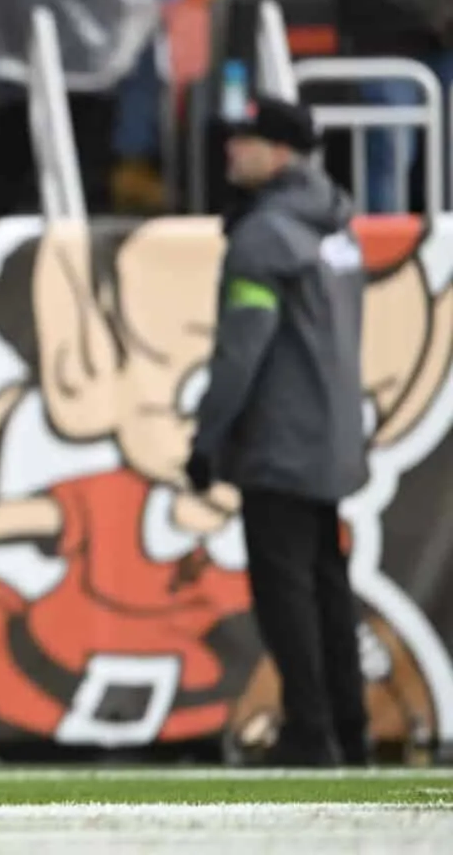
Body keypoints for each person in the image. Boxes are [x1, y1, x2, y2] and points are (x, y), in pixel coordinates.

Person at [185, 95, 370, 767]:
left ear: (281, 151)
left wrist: (207, 439)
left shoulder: (266, 237)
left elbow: (244, 347)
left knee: (287, 594)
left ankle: (311, 733)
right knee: (327, 591)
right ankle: (351, 730)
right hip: (333, 437)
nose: (232, 149)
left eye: (247, 140)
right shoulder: (337, 224)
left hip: (281, 443)